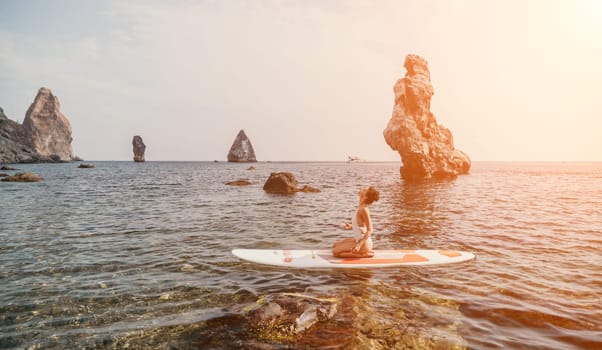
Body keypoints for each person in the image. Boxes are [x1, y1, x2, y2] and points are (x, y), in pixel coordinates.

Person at [332, 186, 380, 258]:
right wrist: (352, 226)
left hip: (363, 243)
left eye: (364, 190)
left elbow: (370, 230)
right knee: (335, 245)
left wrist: (359, 245)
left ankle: (365, 253)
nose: (361, 189)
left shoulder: (364, 209)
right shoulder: (360, 207)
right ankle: (363, 250)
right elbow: (361, 226)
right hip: (358, 239)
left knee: (335, 252)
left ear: (366, 197)